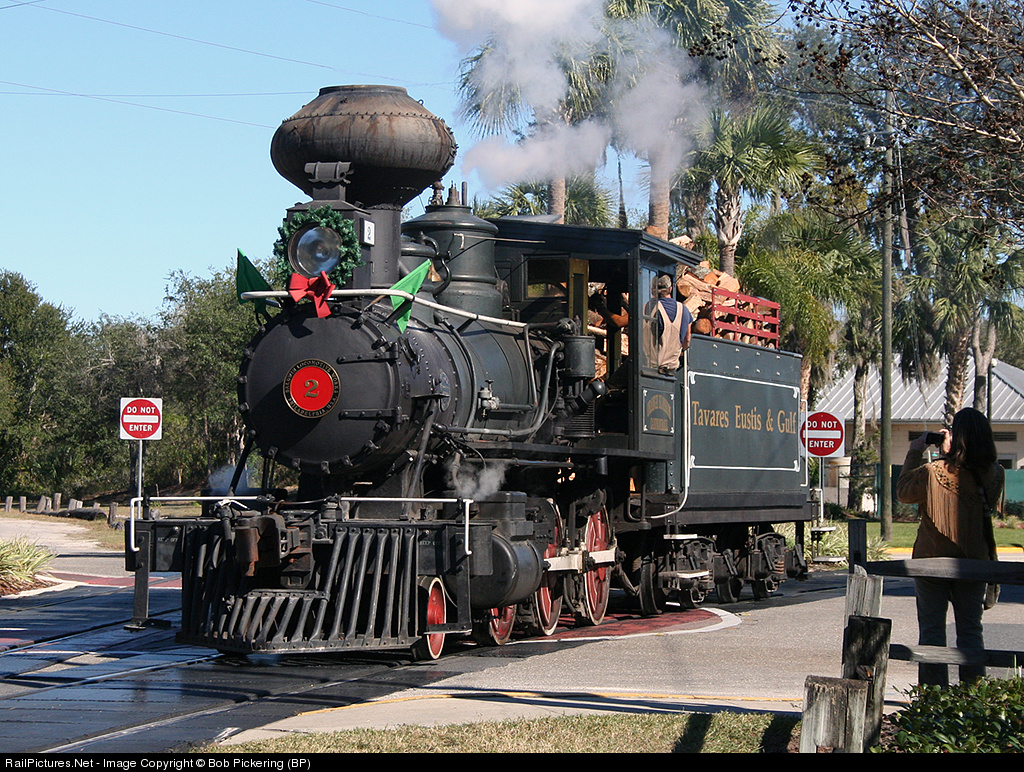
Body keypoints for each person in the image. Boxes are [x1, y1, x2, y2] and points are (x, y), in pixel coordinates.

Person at [896, 407, 1002, 687]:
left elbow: (904, 492)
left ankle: (933, 697)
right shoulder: (995, 474)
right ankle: (973, 695)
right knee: (971, 631)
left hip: (931, 561)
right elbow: (969, 492)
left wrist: (916, 452)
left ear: (958, 437)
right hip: (973, 562)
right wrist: (951, 455)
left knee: (931, 631)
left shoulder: (933, 472)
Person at [643, 274, 691, 374]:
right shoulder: (683, 310)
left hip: (647, 368)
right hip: (670, 370)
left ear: (652, 290)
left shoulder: (644, 308)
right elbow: (687, 340)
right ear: (670, 289)